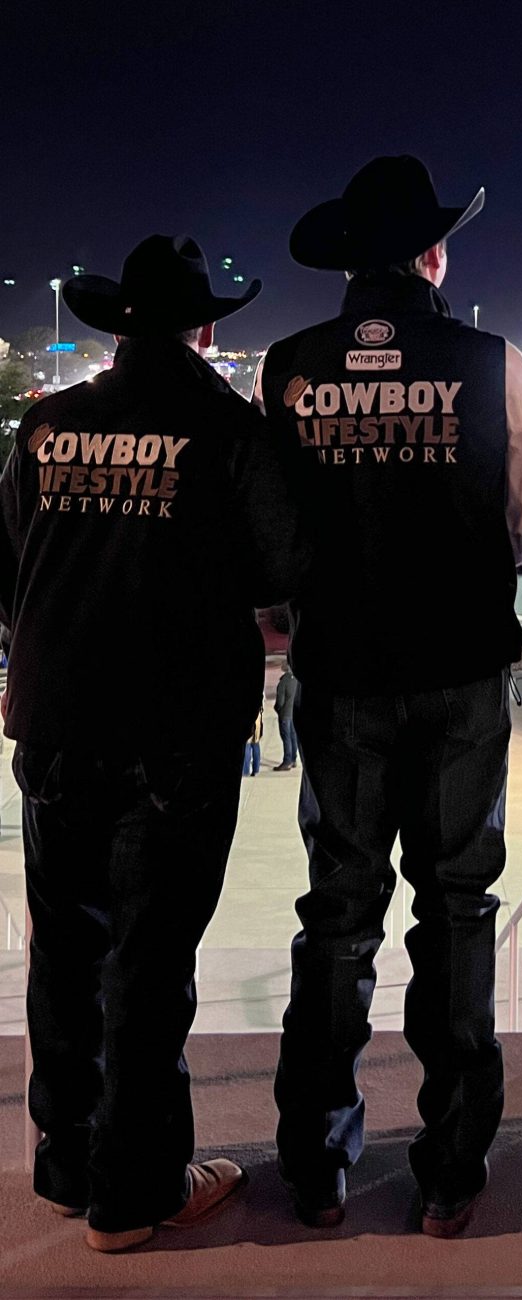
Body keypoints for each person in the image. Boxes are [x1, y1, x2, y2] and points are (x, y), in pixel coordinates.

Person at [253, 155, 522, 1236]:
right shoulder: (494, 362)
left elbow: (273, 530)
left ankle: (319, 1166)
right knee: (457, 911)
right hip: (461, 674)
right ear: (433, 254)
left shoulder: (285, 367)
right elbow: (518, 520)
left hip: (337, 680)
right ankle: (448, 1174)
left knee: (336, 920)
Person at [0, 235, 307, 1252]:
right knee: (146, 958)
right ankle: (133, 1191)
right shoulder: (229, 430)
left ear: (114, 327)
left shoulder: (48, 423)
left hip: (52, 721)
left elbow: (13, 555)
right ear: (206, 326)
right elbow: (281, 570)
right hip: (171, 735)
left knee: (64, 948)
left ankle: (63, 1158)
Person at [273, 660, 298, 770]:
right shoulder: (295, 680)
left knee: (286, 738)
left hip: (285, 714)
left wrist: (277, 709)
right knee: (293, 737)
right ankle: (293, 759)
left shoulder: (284, 682)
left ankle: (287, 761)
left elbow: (280, 701)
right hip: (293, 714)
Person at [243, 704, 264, 776]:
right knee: (255, 743)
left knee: (247, 744)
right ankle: (256, 769)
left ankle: (245, 771)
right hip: (258, 717)